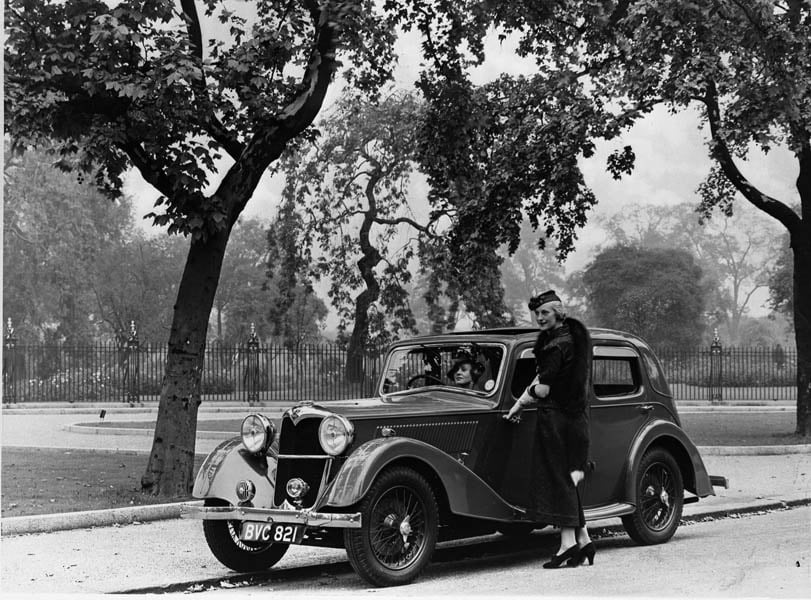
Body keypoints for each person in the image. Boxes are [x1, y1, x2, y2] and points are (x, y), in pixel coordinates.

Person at [503, 290, 595, 569]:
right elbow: (547, 377)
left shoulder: (556, 346)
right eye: (538, 313)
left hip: (555, 418)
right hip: (574, 417)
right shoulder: (571, 338)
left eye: (545, 312)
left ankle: (567, 543)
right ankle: (584, 539)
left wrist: (520, 402)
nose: (540, 318)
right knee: (566, 476)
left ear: (557, 311)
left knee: (558, 477)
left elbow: (542, 387)